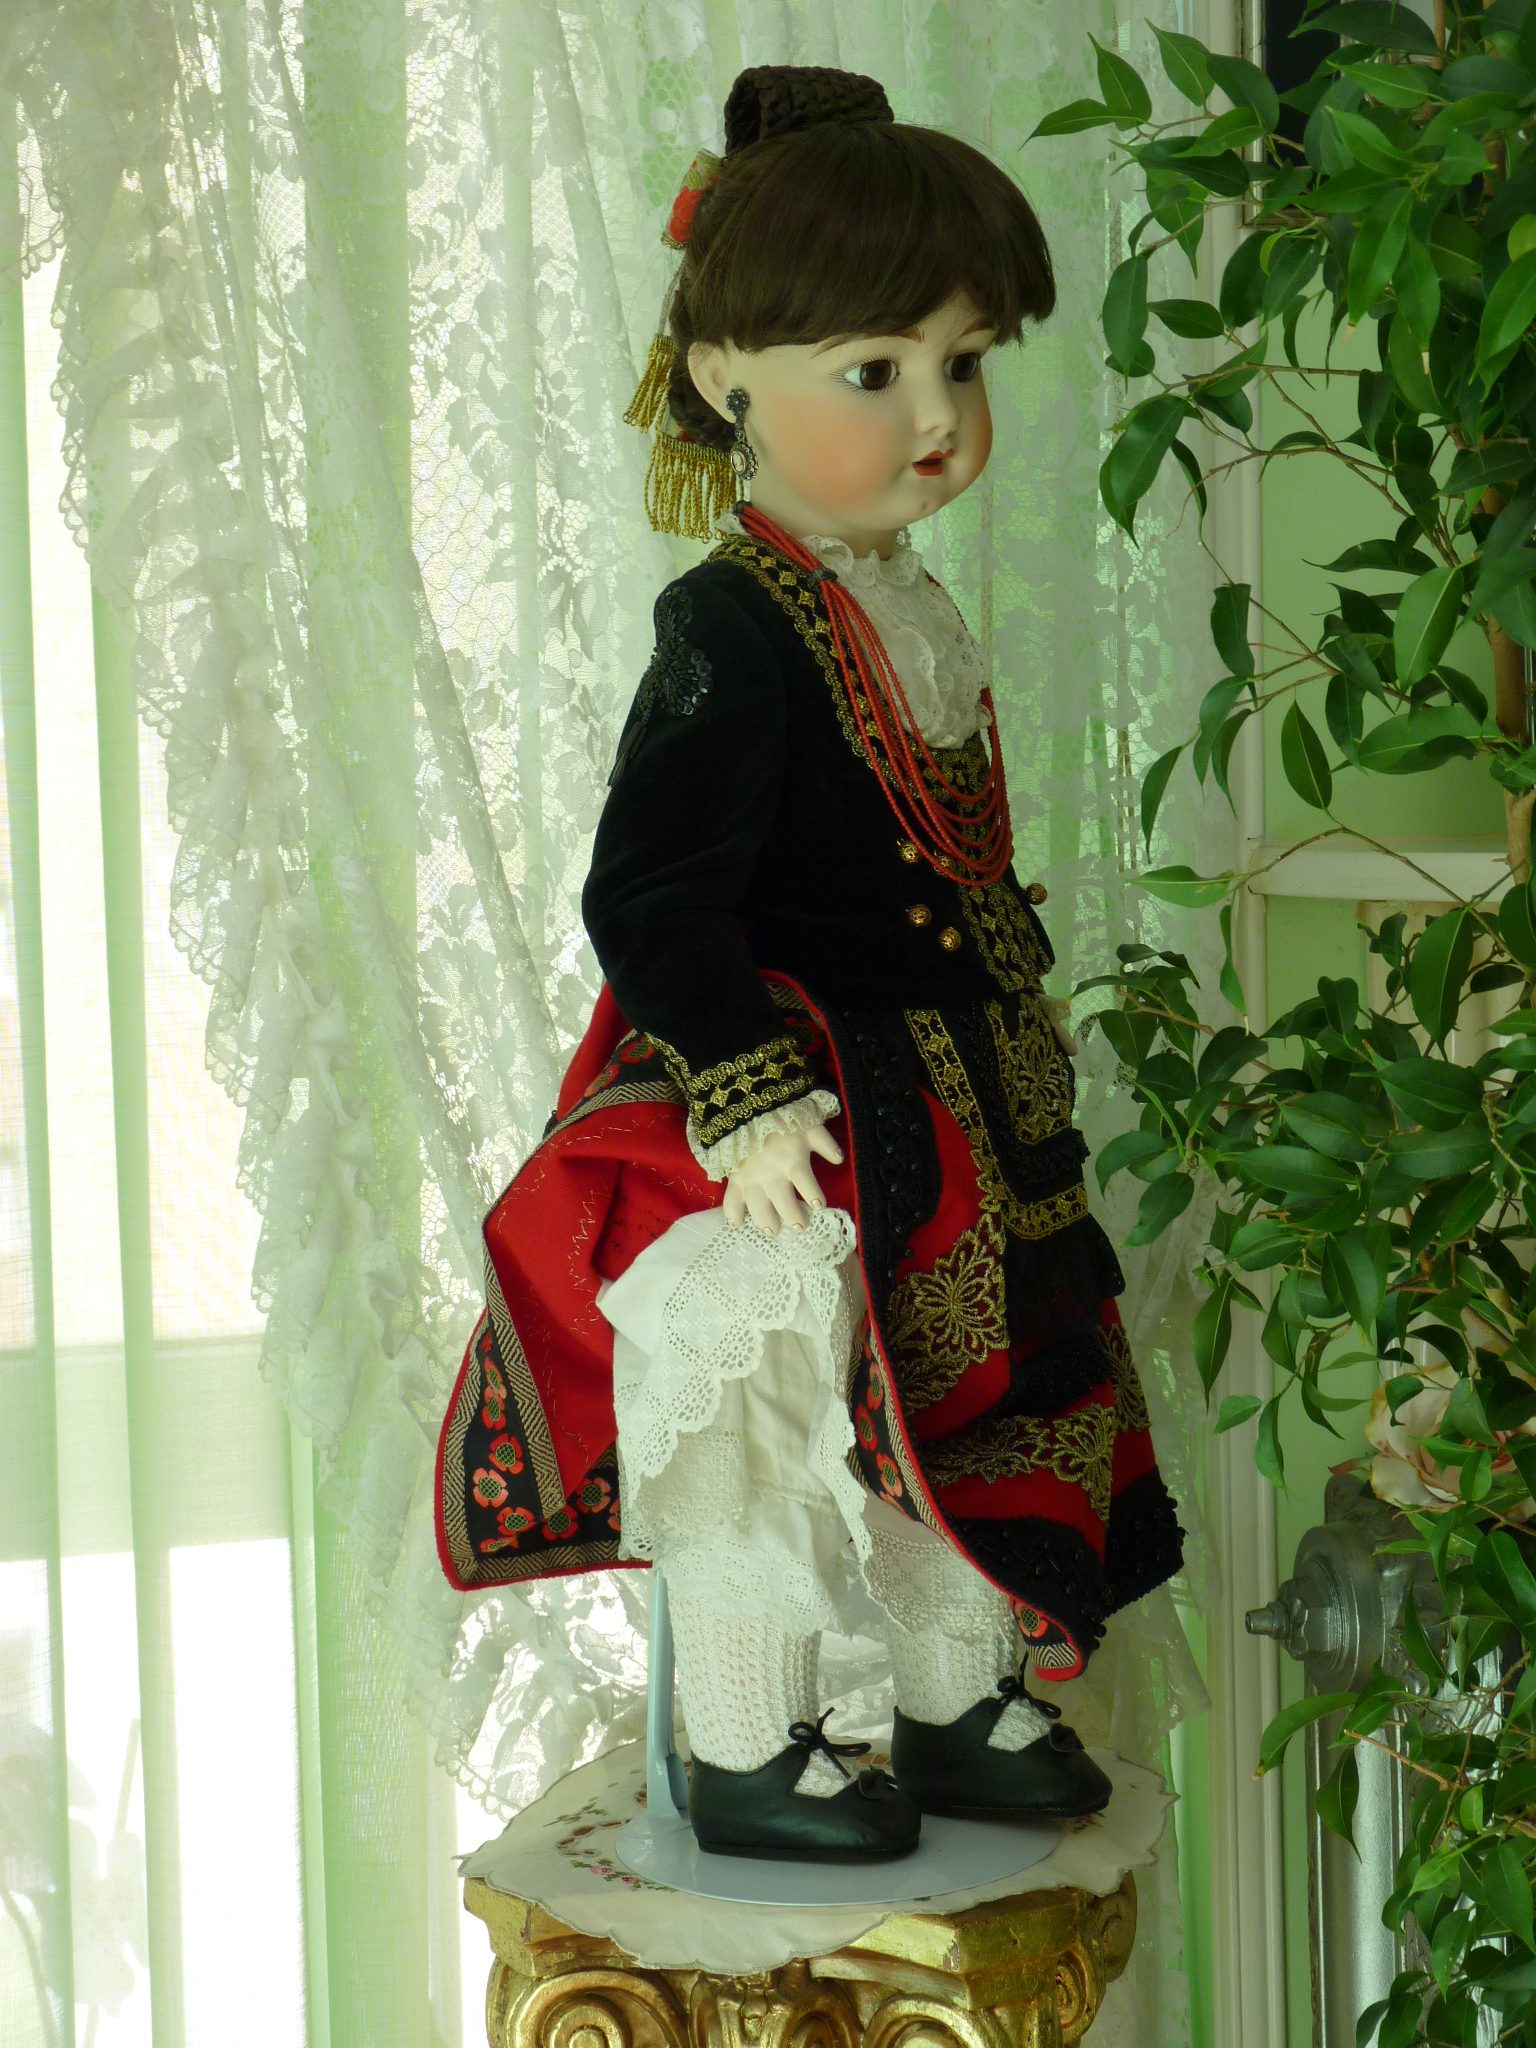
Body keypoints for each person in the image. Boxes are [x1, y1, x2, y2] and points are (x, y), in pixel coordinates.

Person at [436, 62, 1186, 1862]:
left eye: (964, 365)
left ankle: (952, 1694)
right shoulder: (731, 619)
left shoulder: (901, 603)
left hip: (948, 1103)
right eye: (875, 372)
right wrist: (744, 1098)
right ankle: (752, 1735)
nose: (936, 416)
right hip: (794, 1106)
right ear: (725, 380)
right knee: (776, 1402)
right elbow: (650, 889)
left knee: (970, 1397)